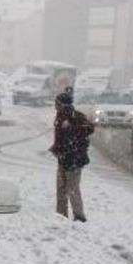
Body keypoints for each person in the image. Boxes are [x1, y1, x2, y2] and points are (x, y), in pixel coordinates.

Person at [49, 91, 94, 222]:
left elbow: (89, 129)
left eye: (57, 103)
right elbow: (60, 138)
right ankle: (61, 215)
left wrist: (73, 128)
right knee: (61, 189)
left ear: (63, 104)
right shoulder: (60, 116)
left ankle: (79, 216)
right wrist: (56, 148)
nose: (55, 105)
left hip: (74, 160)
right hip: (63, 159)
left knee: (73, 189)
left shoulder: (76, 117)